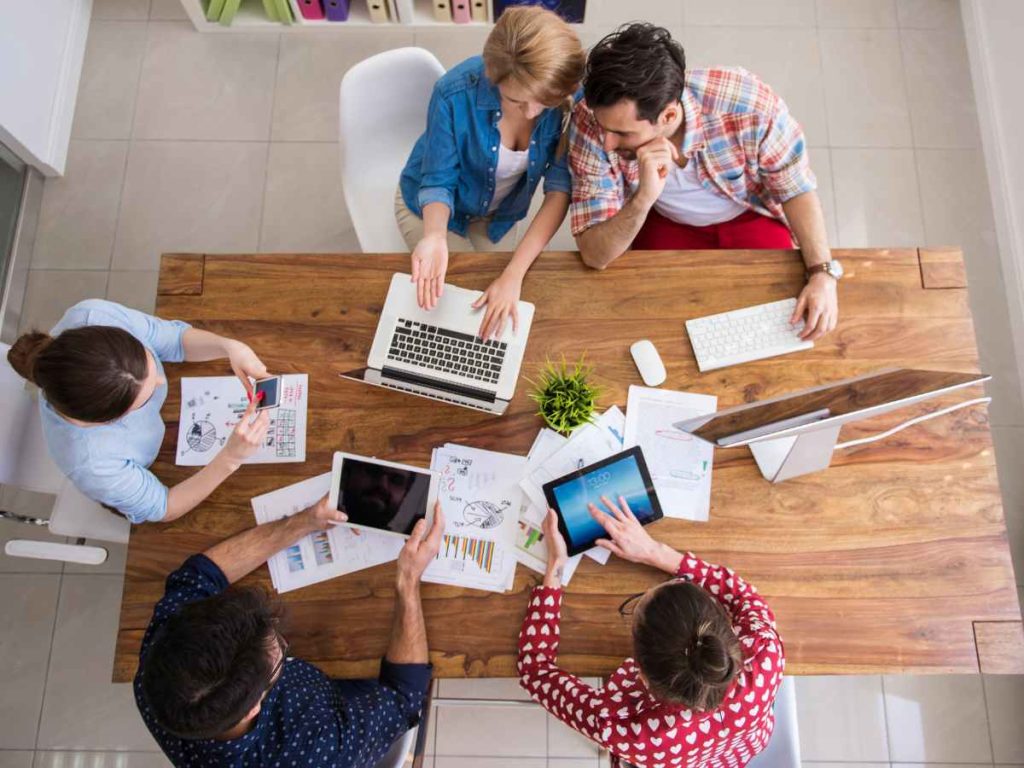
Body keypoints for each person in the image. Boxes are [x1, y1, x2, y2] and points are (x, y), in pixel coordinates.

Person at [568, 23, 840, 341]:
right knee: (650, 321)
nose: (608, 143)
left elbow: (795, 188)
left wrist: (823, 273)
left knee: (782, 321)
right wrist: (643, 198)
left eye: (623, 133)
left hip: (746, 213)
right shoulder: (590, 122)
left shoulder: (749, 106)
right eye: (605, 128)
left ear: (668, 116)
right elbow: (594, 255)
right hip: (660, 219)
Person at [135, 495, 444, 767]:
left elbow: (198, 576)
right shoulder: (319, 751)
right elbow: (405, 697)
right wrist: (409, 578)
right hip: (341, 703)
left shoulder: (159, 671)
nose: (282, 640)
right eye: (279, 653)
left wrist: (303, 522)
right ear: (254, 707)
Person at [517, 498, 784, 767]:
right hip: (740, 749)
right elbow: (743, 596)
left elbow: (535, 671)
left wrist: (555, 567)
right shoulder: (765, 652)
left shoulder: (625, 729)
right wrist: (655, 552)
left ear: (641, 676)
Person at [397, 5, 585, 339]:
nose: (532, 112)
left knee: (500, 299)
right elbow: (438, 180)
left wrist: (514, 274)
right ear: (491, 74)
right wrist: (436, 236)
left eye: (545, 101)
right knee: (458, 306)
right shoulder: (452, 93)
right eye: (516, 100)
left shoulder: (569, 95)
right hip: (434, 207)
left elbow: (559, 190)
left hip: (500, 214)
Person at [7, 299, 271, 524]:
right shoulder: (94, 465)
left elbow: (173, 339)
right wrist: (230, 458)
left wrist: (229, 347)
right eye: (144, 399)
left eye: (149, 360)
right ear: (110, 421)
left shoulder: (93, 315)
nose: (160, 381)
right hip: (150, 473)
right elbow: (165, 506)